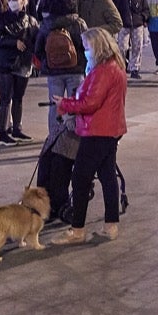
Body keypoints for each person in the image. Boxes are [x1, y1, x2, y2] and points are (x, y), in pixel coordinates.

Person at [54, 27, 128, 245]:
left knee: (80, 178)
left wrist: (65, 104)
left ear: (97, 46)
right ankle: (111, 225)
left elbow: (90, 103)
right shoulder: (114, 66)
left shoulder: (104, 71)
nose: (84, 50)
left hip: (97, 131)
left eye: (86, 46)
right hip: (110, 130)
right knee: (107, 177)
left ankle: (77, 229)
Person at [0, 0, 38, 144]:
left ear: (24, 1)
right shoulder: (1, 18)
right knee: (5, 97)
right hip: (4, 62)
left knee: (18, 97)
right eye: (10, 0)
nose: (12, 2)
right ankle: (3, 133)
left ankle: (17, 129)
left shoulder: (31, 21)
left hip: (23, 63)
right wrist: (13, 42)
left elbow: (36, 41)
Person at [36, 0, 89, 132]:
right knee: (76, 104)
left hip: (54, 71)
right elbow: (86, 46)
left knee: (54, 105)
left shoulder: (47, 24)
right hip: (76, 69)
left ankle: (54, 135)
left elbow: (38, 48)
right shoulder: (79, 23)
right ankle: (76, 134)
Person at [115, 0, 148, 79]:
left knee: (137, 47)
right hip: (124, 25)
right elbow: (116, 9)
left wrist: (143, 18)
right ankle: (121, 68)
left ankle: (135, 68)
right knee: (122, 47)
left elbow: (146, 9)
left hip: (137, 25)